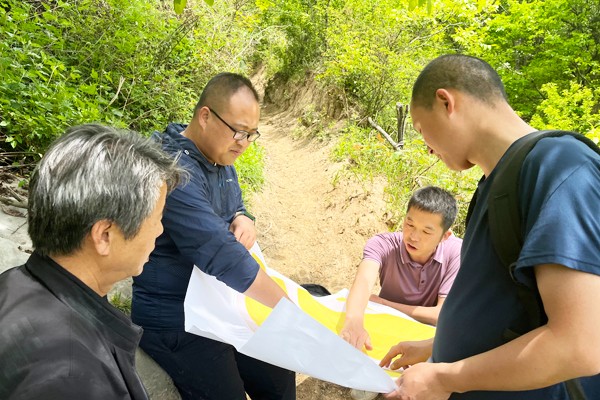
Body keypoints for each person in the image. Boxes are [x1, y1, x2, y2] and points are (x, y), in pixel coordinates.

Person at [380, 54, 600, 399]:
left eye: (422, 130)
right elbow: (508, 309)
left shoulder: (558, 167)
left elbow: (579, 345)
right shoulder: (495, 183)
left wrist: (444, 378)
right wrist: (436, 345)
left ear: (446, 102)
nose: (428, 149)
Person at [131, 72, 296, 400]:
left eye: (251, 135)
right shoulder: (172, 169)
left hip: (221, 302)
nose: (243, 142)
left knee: (279, 368)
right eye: (238, 131)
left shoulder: (218, 156)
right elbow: (219, 252)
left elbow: (234, 204)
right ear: (205, 116)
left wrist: (243, 216)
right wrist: (287, 308)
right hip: (176, 316)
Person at [0, 124, 182, 399]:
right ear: (104, 235)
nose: (160, 230)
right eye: (157, 219)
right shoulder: (73, 379)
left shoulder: (14, 283)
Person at [341, 185, 461, 353]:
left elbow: (441, 315)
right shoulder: (382, 244)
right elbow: (364, 281)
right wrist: (353, 321)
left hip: (424, 342)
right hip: (383, 330)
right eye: (409, 224)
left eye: (426, 232)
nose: (413, 237)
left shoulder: (457, 252)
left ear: (445, 236)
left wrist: (385, 303)